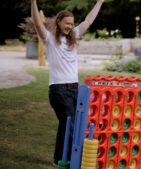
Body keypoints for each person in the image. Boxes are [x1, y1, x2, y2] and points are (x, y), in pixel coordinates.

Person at [31, 0, 105, 166]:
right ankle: (73, 160)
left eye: (72, 24)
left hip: (74, 89)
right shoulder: (50, 39)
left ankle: (58, 158)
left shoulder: (74, 37)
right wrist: (33, 2)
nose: (70, 26)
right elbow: (37, 22)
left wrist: (99, 2)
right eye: (67, 23)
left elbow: (88, 20)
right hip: (59, 90)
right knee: (71, 125)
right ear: (58, 22)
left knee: (67, 125)